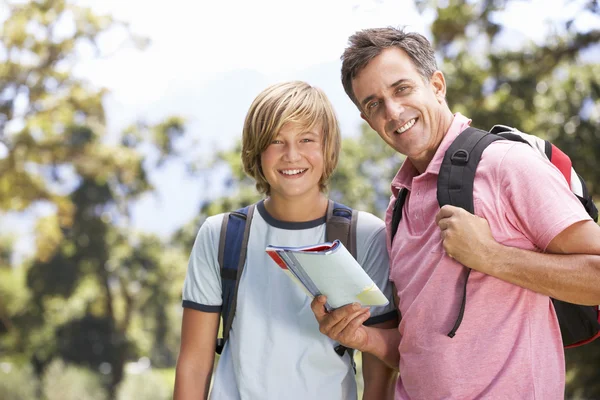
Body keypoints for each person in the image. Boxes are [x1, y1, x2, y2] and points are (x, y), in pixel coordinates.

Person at [310, 27, 600, 399]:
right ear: (367, 121)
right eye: (374, 104)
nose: (393, 112)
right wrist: (364, 338)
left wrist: (491, 256)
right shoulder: (399, 205)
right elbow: (427, 352)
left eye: (402, 89)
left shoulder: (506, 164)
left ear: (437, 85)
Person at [173, 80, 398, 400]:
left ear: (328, 147)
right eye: (276, 141)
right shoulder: (221, 235)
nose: (292, 155)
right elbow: (194, 363)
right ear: (256, 150)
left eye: (307, 139)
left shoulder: (364, 235)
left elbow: (380, 376)